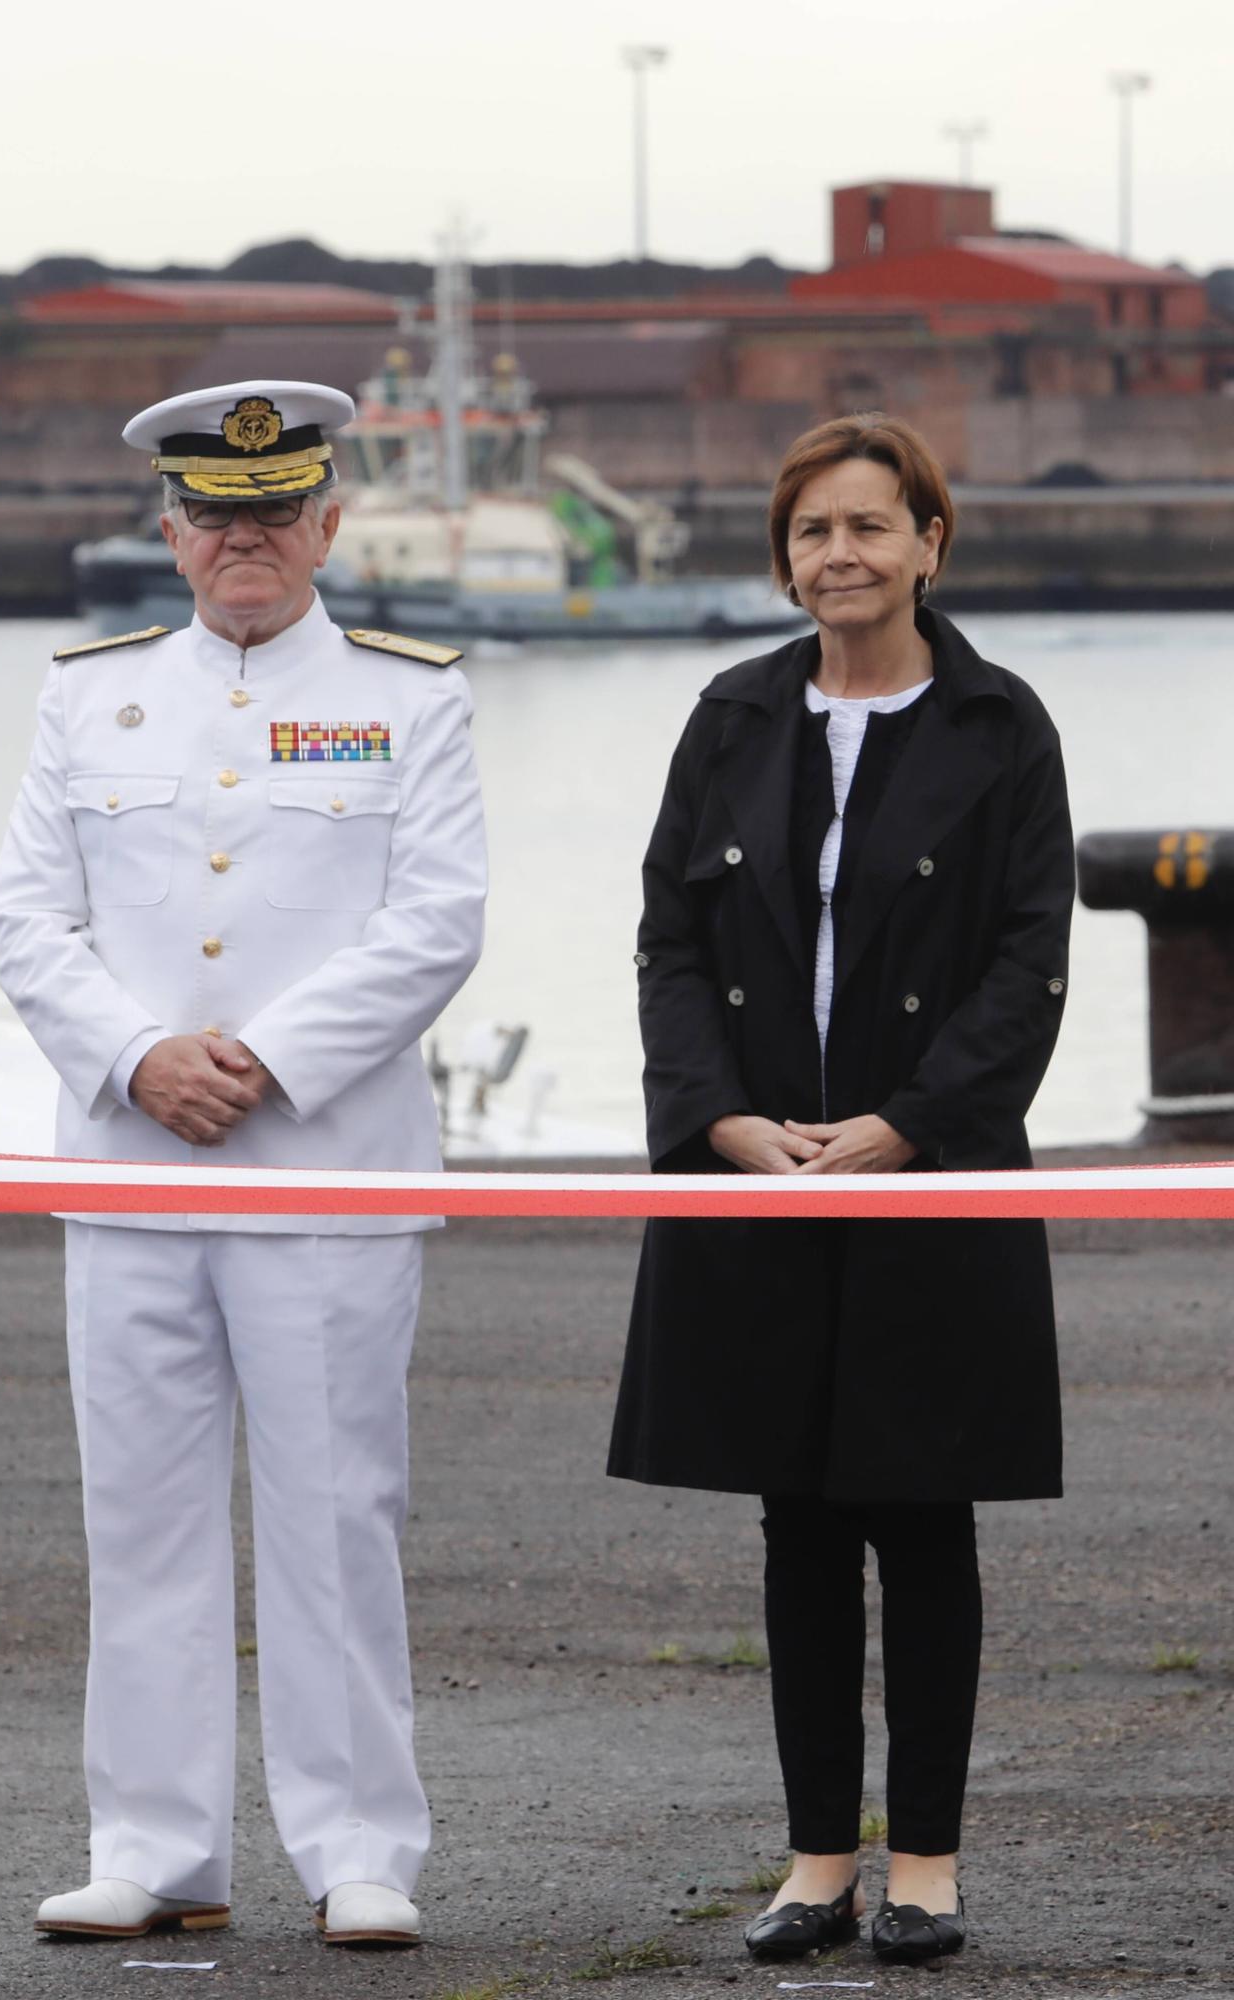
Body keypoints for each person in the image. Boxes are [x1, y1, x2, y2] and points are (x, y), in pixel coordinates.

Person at [0, 380, 487, 1948]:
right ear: (171, 532)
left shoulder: (413, 699)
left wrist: (263, 1059)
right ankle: (153, 1845)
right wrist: (140, 1055)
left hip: (321, 1172)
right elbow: (23, 917)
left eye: (274, 512)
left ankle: (358, 1851)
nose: (244, 538)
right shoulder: (90, 696)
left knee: (339, 1515)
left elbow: (438, 920)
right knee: (138, 1519)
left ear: (330, 523)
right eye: (216, 512)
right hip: (134, 1172)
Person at [607, 413, 1073, 1968]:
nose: (842, 557)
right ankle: (817, 1866)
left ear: (929, 543)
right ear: (784, 553)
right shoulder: (731, 716)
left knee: (920, 1520)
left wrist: (909, 1124)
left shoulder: (1002, 727)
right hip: (760, 1183)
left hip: (929, 1180)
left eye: (872, 527)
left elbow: (1030, 964)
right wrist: (723, 1124)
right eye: (815, 532)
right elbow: (670, 946)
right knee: (795, 1524)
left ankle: (924, 1865)